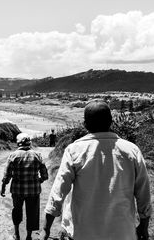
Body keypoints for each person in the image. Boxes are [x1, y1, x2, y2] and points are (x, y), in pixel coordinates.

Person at [41, 101, 152, 240]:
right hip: (122, 232)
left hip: (82, 232)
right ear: (111, 122)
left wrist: (46, 228)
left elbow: (58, 191)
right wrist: (144, 225)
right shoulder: (131, 150)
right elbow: (144, 193)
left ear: (85, 124)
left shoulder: (75, 150)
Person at [0, 133, 49, 240]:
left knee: (16, 210)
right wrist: (38, 181)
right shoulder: (37, 155)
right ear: (29, 143)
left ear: (18, 143)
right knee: (32, 212)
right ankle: (28, 236)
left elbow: (7, 175)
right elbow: (45, 175)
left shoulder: (13, 155)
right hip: (33, 191)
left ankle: (16, 234)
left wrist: (3, 187)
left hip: (17, 190)